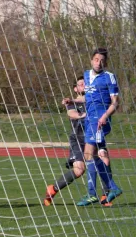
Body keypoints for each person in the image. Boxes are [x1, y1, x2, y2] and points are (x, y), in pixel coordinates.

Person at [43, 77, 113, 207]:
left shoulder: (94, 101)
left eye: (85, 84)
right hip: (78, 139)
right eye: (81, 84)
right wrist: (87, 115)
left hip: (95, 137)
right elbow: (72, 114)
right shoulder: (72, 102)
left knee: (105, 159)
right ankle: (53, 189)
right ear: (76, 89)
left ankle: (106, 196)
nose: (84, 86)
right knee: (79, 170)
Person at [75, 48, 122, 206]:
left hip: (100, 120)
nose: (98, 63)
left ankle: (92, 193)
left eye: (102, 60)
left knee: (89, 154)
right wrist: (73, 101)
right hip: (90, 119)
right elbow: (88, 99)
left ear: (105, 62)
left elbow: (115, 102)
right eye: (96, 59)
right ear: (91, 60)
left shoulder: (109, 77)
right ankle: (111, 188)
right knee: (92, 156)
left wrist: (105, 116)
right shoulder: (87, 75)